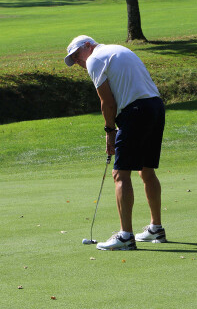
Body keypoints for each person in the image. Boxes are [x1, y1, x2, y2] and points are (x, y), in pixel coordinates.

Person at [65, 35, 166, 251]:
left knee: (120, 173)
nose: (79, 63)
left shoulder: (94, 59)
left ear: (88, 46)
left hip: (135, 111)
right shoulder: (117, 49)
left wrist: (110, 132)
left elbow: (107, 102)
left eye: (77, 57)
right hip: (155, 107)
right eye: (74, 61)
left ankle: (125, 236)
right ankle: (155, 228)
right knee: (146, 170)